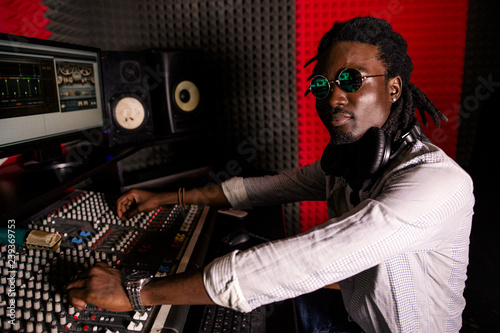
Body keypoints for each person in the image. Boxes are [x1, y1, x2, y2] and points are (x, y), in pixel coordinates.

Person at [66, 16, 474, 332]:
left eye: (351, 79)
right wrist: (166, 198)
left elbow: (314, 257)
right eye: (323, 84)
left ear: (394, 89)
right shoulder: (347, 165)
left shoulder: (438, 184)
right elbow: (259, 190)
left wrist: (138, 291)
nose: (333, 96)